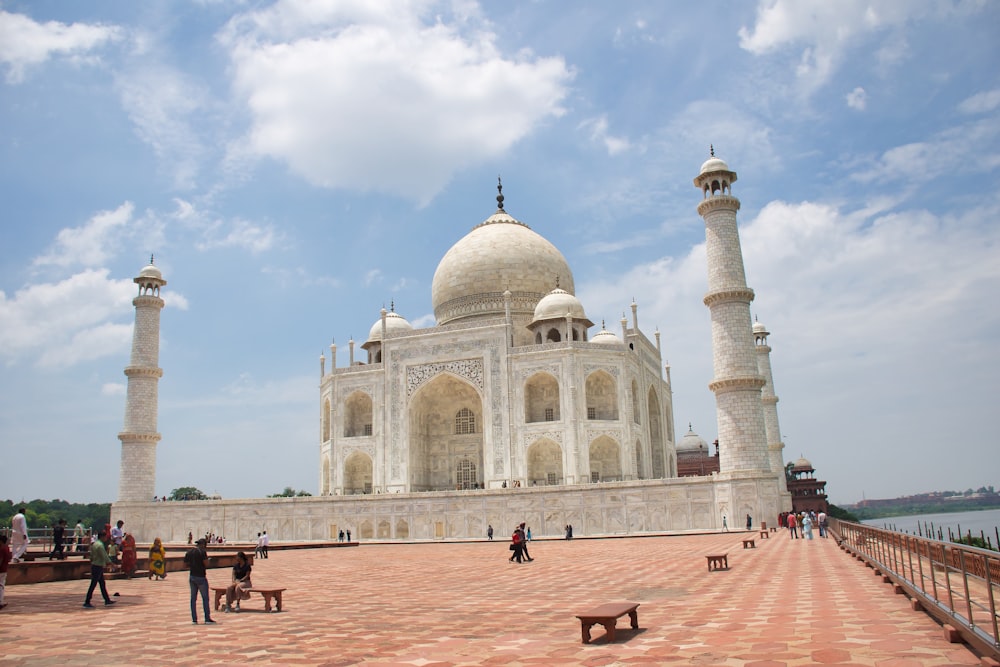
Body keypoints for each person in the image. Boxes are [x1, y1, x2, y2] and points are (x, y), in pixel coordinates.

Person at [184, 537, 215, 624]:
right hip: (201, 576)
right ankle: (207, 618)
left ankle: (194, 619)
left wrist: (193, 565)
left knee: (193, 599)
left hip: (192, 576)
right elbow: (206, 563)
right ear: (203, 545)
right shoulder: (202, 552)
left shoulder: (189, 552)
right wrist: (208, 561)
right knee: (205, 598)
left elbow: (185, 564)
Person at [83, 530, 116, 608]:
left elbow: (91, 555)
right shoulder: (100, 545)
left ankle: (107, 600)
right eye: (105, 537)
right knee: (93, 584)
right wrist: (111, 563)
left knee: (102, 584)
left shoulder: (94, 544)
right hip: (98, 566)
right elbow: (104, 556)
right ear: (102, 537)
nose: (106, 539)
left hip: (96, 565)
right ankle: (87, 601)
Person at [0, 534, 11, 610]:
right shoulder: (7, 548)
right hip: (4, 569)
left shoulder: (1, 549)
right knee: (1, 586)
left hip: (1, 570)